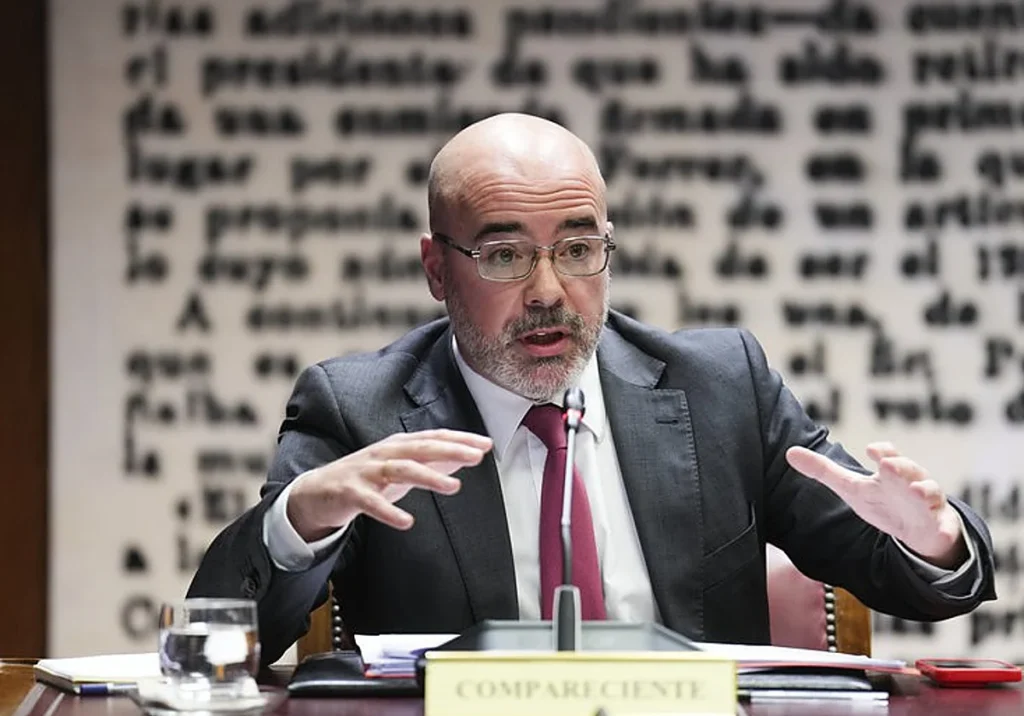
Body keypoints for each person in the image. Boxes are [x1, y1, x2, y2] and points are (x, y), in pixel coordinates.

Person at [188, 113, 996, 666]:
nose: (549, 289)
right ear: (437, 268)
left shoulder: (720, 389)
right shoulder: (357, 407)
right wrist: (297, 521)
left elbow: (923, 584)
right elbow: (226, 635)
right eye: (506, 255)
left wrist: (931, 540)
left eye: (578, 249)